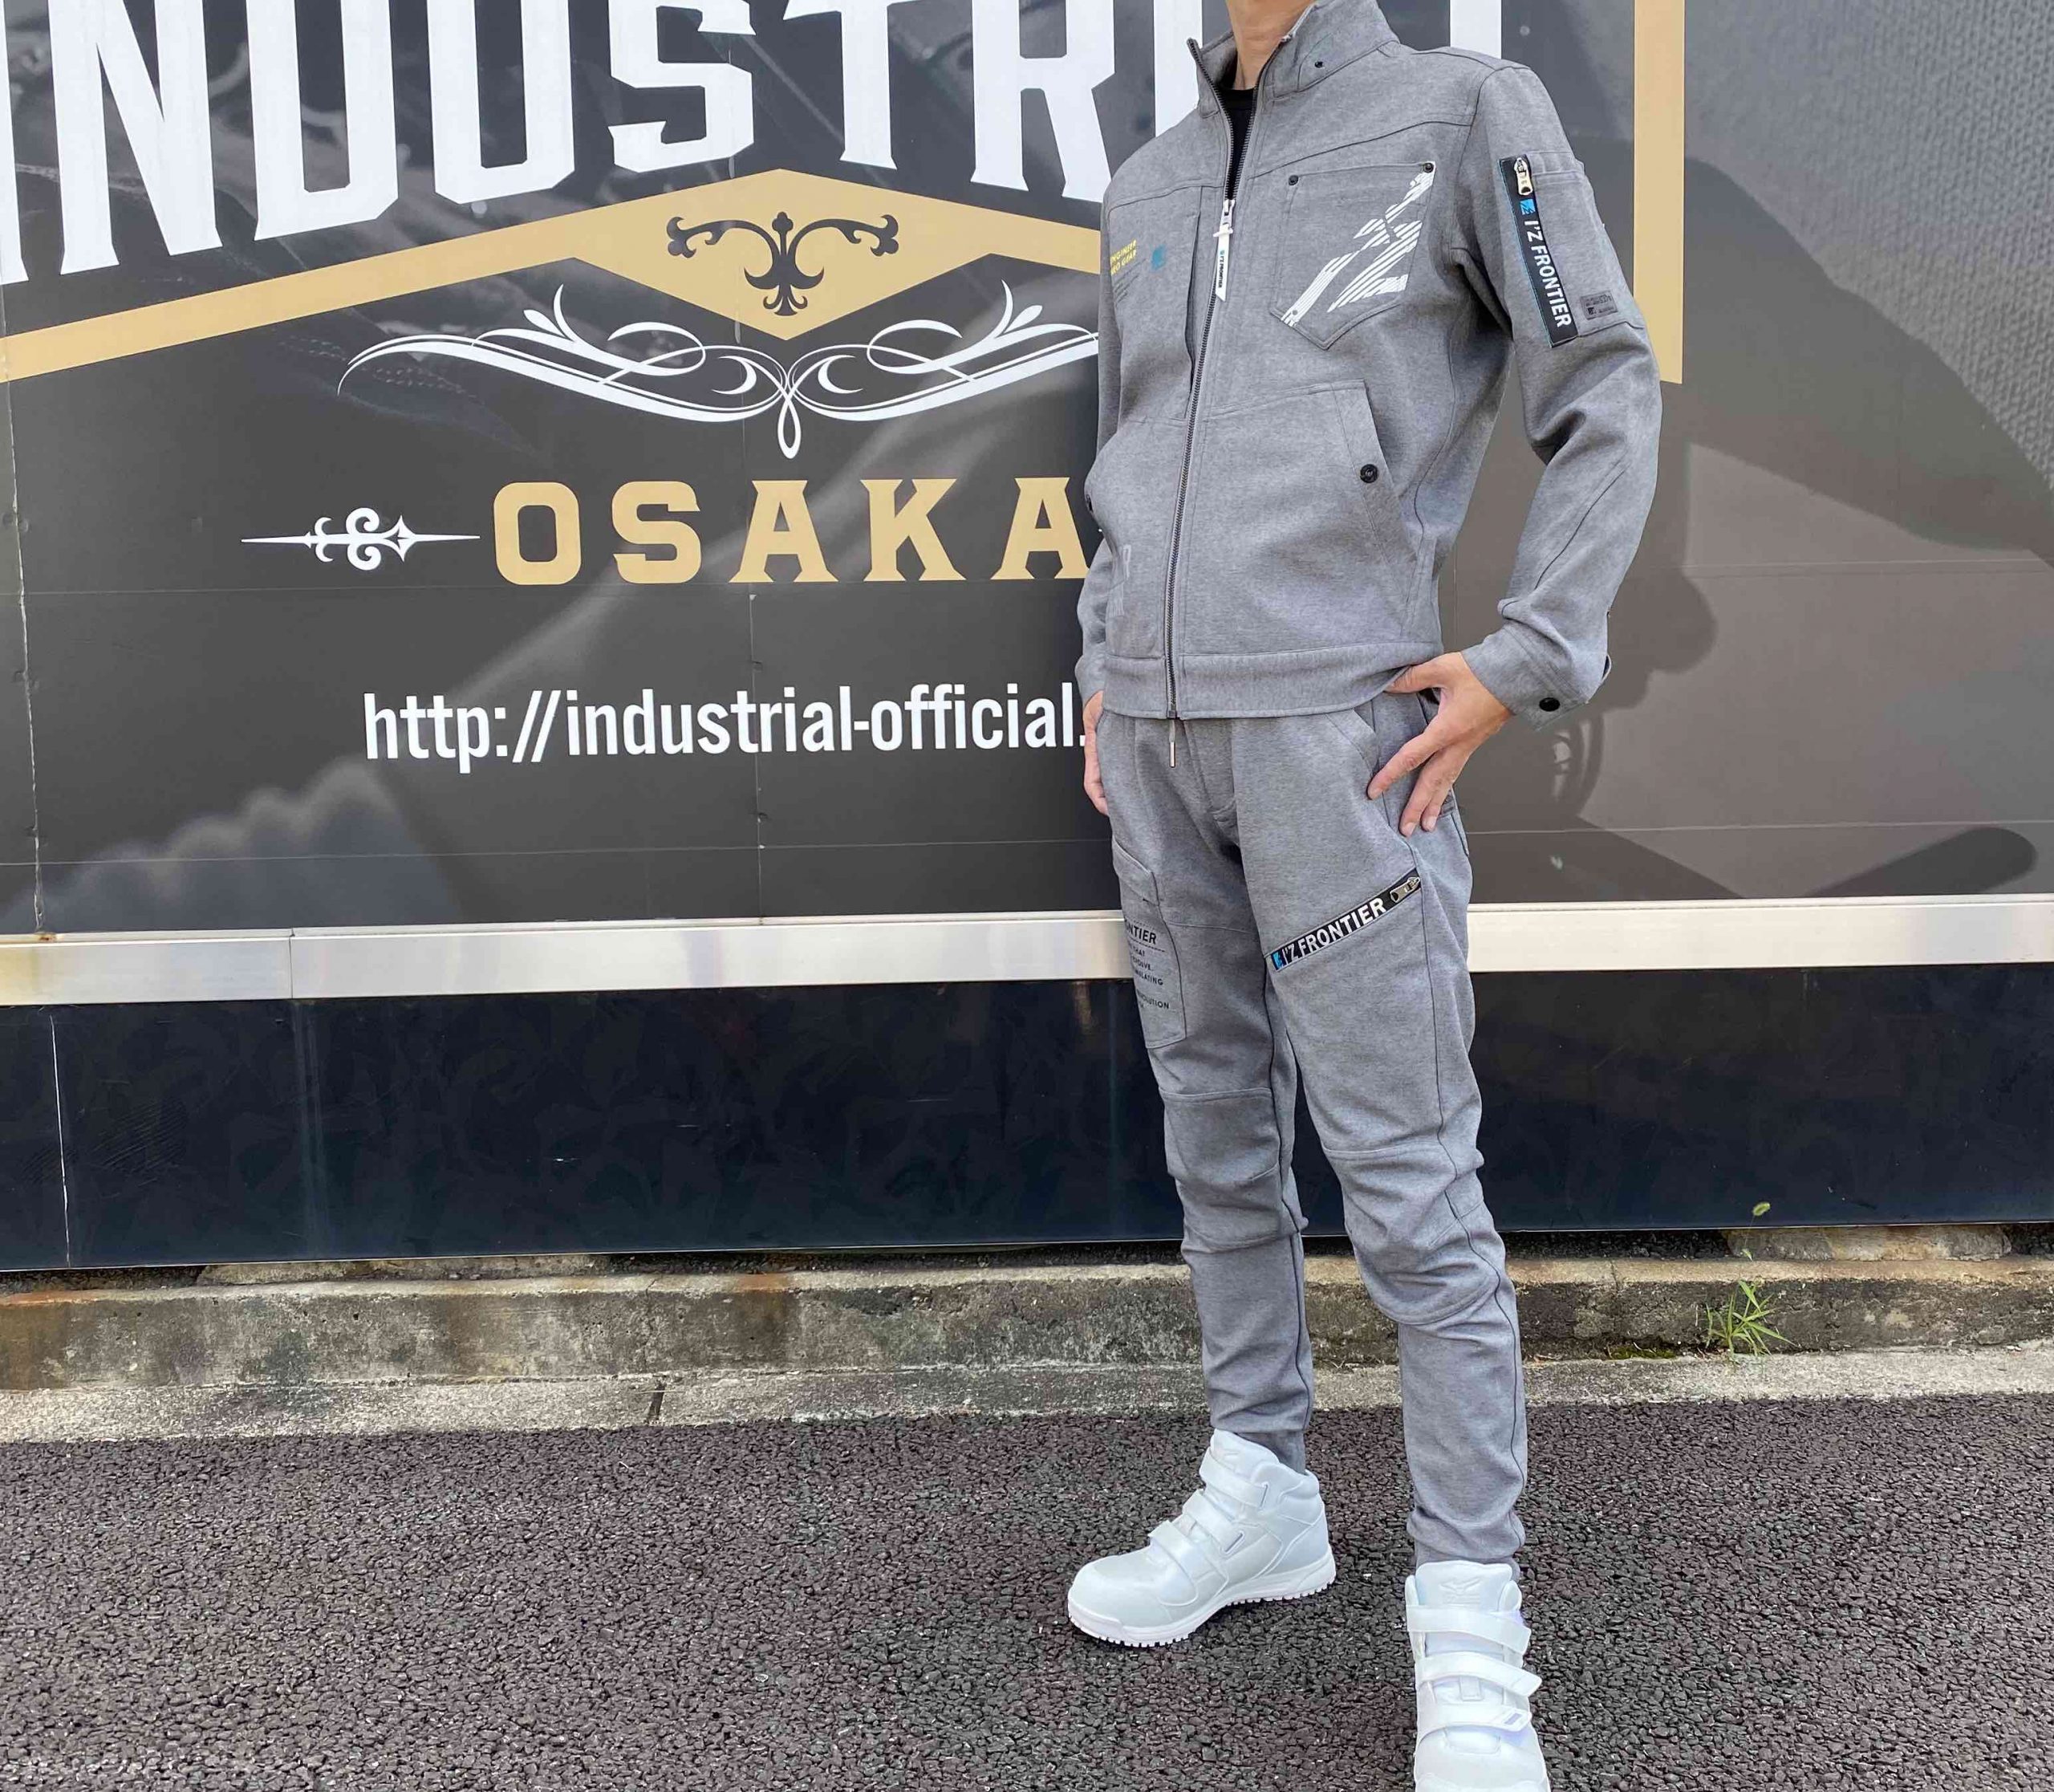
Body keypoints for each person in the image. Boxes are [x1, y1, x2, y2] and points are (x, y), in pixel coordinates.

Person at [1067, 1, 1662, 1786]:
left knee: (1407, 1185)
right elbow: (1127, 451)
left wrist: (1528, 653)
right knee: (1212, 1141)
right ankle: (1262, 1488)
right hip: (1157, 744)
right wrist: (1105, 662)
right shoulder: (1151, 179)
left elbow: (1604, 381)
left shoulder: (1462, 113)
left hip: (1341, 744)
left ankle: (1470, 1622)